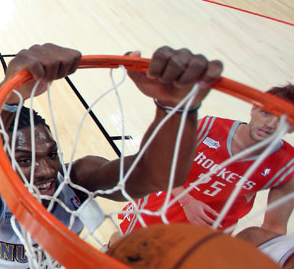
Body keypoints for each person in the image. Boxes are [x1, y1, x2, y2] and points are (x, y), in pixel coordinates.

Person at [0, 43, 223, 268]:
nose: (45, 169)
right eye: (24, 159)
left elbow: (157, 176)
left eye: (51, 153)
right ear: (0, 164)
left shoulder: (75, 181)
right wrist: (4, 99)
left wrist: (176, 109)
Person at [118, 84, 294, 234]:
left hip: (209, 230)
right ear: (254, 108)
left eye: (283, 121)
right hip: (162, 206)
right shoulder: (208, 127)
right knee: (119, 248)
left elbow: (274, 226)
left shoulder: (287, 166)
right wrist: (187, 201)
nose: (270, 124)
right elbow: (157, 164)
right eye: (266, 113)